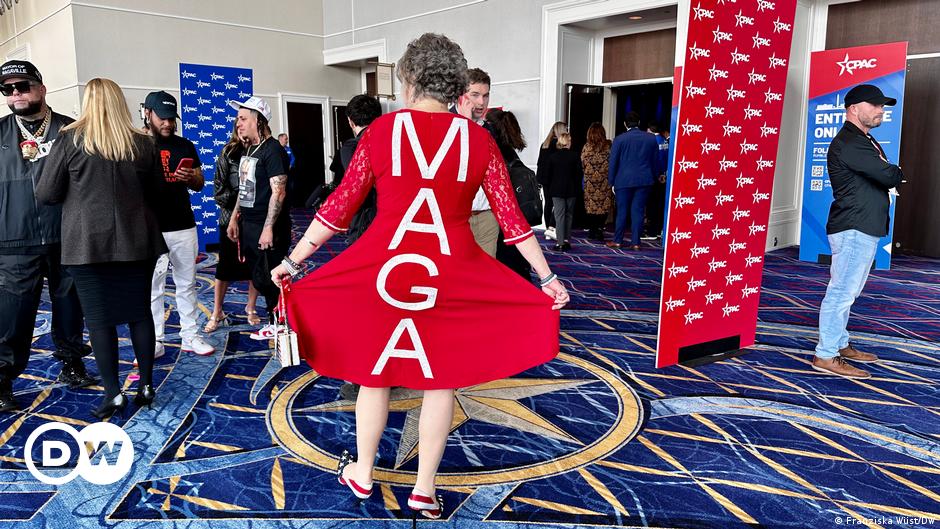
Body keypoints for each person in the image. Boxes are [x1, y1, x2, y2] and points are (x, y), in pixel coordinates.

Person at [270, 33, 568, 520]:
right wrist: (547, 276)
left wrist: (294, 261)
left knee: (376, 373)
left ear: (408, 82)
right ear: (456, 86)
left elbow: (338, 210)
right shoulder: (479, 138)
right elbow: (512, 221)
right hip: (452, 275)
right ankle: (424, 490)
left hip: (384, 271)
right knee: (441, 379)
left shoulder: (382, 132)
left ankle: (363, 471)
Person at [36, 78, 167, 419]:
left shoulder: (69, 139)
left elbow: (46, 193)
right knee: (140, 315)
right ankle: (146, 386)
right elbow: (158, 193)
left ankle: (113, 393)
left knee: (99, 321)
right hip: (138, 242)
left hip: (87, 246)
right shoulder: (142, 143)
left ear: (88, 102)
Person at [0, 60, 96, 412]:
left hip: (66, 236)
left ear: (41, 88)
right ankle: (3, 379)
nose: (15, 94)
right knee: (12, 314)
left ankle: (72, 363)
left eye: (22, 86)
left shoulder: (71, 131)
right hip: (13, 241)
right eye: (7, 90)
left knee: (70, 306)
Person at [812, 84, 903, 379]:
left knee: (849, 291)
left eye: (882, 106)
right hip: (853, 226)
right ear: (853, 108)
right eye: (875, 105)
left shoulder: (864, 139)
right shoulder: (851, 142)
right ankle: (825, 355)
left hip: (862, 224)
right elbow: (888, 173)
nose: (881, 111)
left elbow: (885, 171)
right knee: (841, 292)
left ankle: (839, 343)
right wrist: (894, 172)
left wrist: (890, 171)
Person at [143, 91, 215, 357]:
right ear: (148, 113)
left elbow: (199, 183)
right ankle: (156, 340)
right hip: (151, 227)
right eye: (162, 118)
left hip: (183, 224)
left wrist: (188, 177)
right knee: (154, 288)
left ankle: (190, 336)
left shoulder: (185, 145)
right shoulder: (137, 144)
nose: (168, 124)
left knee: (187, 282)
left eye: (172, 118)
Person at [225, 96, 291, 341]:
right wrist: (234, 218)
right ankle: (274, 320)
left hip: (269, 227)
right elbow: (244, 188)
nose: (238, 124)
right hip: (249, 224)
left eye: (242, 119)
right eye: (237, 119)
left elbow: (279, 191)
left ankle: (280, 324)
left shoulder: (273, 150)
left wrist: (268, 228)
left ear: (258, 120)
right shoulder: (249, 148)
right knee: (259, 277)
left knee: (271, 277)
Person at [205, 123, 261, 332]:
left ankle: (251, 307)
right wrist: (239, 201)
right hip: (230, 217)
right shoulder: (228, 152)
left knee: (254, 265)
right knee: (225, 267)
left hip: (256, 219)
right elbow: (218, 188)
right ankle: (216, 311)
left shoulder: (260, 151)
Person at [486, 108, 533, 280]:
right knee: (516, 257)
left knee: (502, 258)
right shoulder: (510, 151)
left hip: (497, 213)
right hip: (516, 212)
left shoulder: (491, 149)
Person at [456, 68, 499, 257]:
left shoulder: (491, 130)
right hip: (456, 217)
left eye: (486, 95)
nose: (481, 102)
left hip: (487, 216)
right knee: (455, 277)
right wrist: (465, 123)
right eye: (475, 95)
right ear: (461, 95)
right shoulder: (445, 122)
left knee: (485, 277)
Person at [607, 111, 658, 250]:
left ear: (625, 124)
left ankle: (618, 241)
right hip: (644, 180)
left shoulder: (619, 139)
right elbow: (655, 161)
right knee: (638, 211)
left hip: (623, 181)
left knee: (622, 211)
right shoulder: (651, 138)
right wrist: (654, 176)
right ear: (639, 123)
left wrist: (611, 182)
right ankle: (636, 242)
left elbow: (613, 162)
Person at [340, 94, 383, 244]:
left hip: (365, 217)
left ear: (350, 122)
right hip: (392, 215)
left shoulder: (352, 146)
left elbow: (356, 186)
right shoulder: (392, 142)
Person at [543, 133, 583, 251]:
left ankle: (560, 243)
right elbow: (578, 175)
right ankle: (566, 240)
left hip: (556, 190)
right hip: (571, 190)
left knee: (559, 216)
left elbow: (547, 176)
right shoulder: (575, 156)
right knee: (569, 215)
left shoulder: (553, 157)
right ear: (568, 142)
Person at [581, 122, 612, 241]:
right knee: (603, 207)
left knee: (591, 207)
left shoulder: (586, 147)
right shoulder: (608, 145)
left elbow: (582, 163)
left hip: (590, 182)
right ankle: (599, 229)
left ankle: (592, 230)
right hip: (605, 181)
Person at [536, 121, 567, 240]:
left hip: (544, 178)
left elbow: (539, 163)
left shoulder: (545, 144)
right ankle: (552, 227)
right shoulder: (558, 145)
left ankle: (548, 228)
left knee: (548, 203)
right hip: (555, 177)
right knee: (558, 204)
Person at [643, 121, 669, 240]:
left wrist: (658, 174)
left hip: (655, 177)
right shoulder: (664, 140)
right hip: (663, 176)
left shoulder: (653, 141)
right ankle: (658, 230)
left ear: (650, 130)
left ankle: (652, 232)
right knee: (659, 205)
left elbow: (654, 160)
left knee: (652, 205)